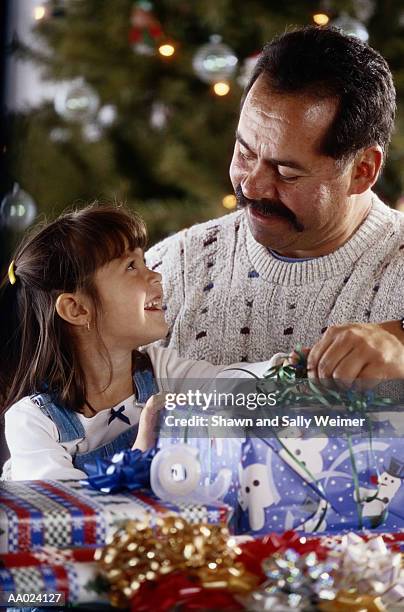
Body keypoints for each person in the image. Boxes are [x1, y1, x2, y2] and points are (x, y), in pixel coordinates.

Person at [145, 25, 404, 383]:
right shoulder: (165, 273)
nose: (252, 185)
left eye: (286, 172)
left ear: (363, 170)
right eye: (245, 153)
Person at [0, 204, 279, 481]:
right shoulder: (34, 421)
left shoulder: (159, 369)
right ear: (77, 309)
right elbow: (69, 515)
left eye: (144, 261)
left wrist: (296, 366)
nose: (155, 274)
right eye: (131, 266)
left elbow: (233, 384)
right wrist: (139, 455)